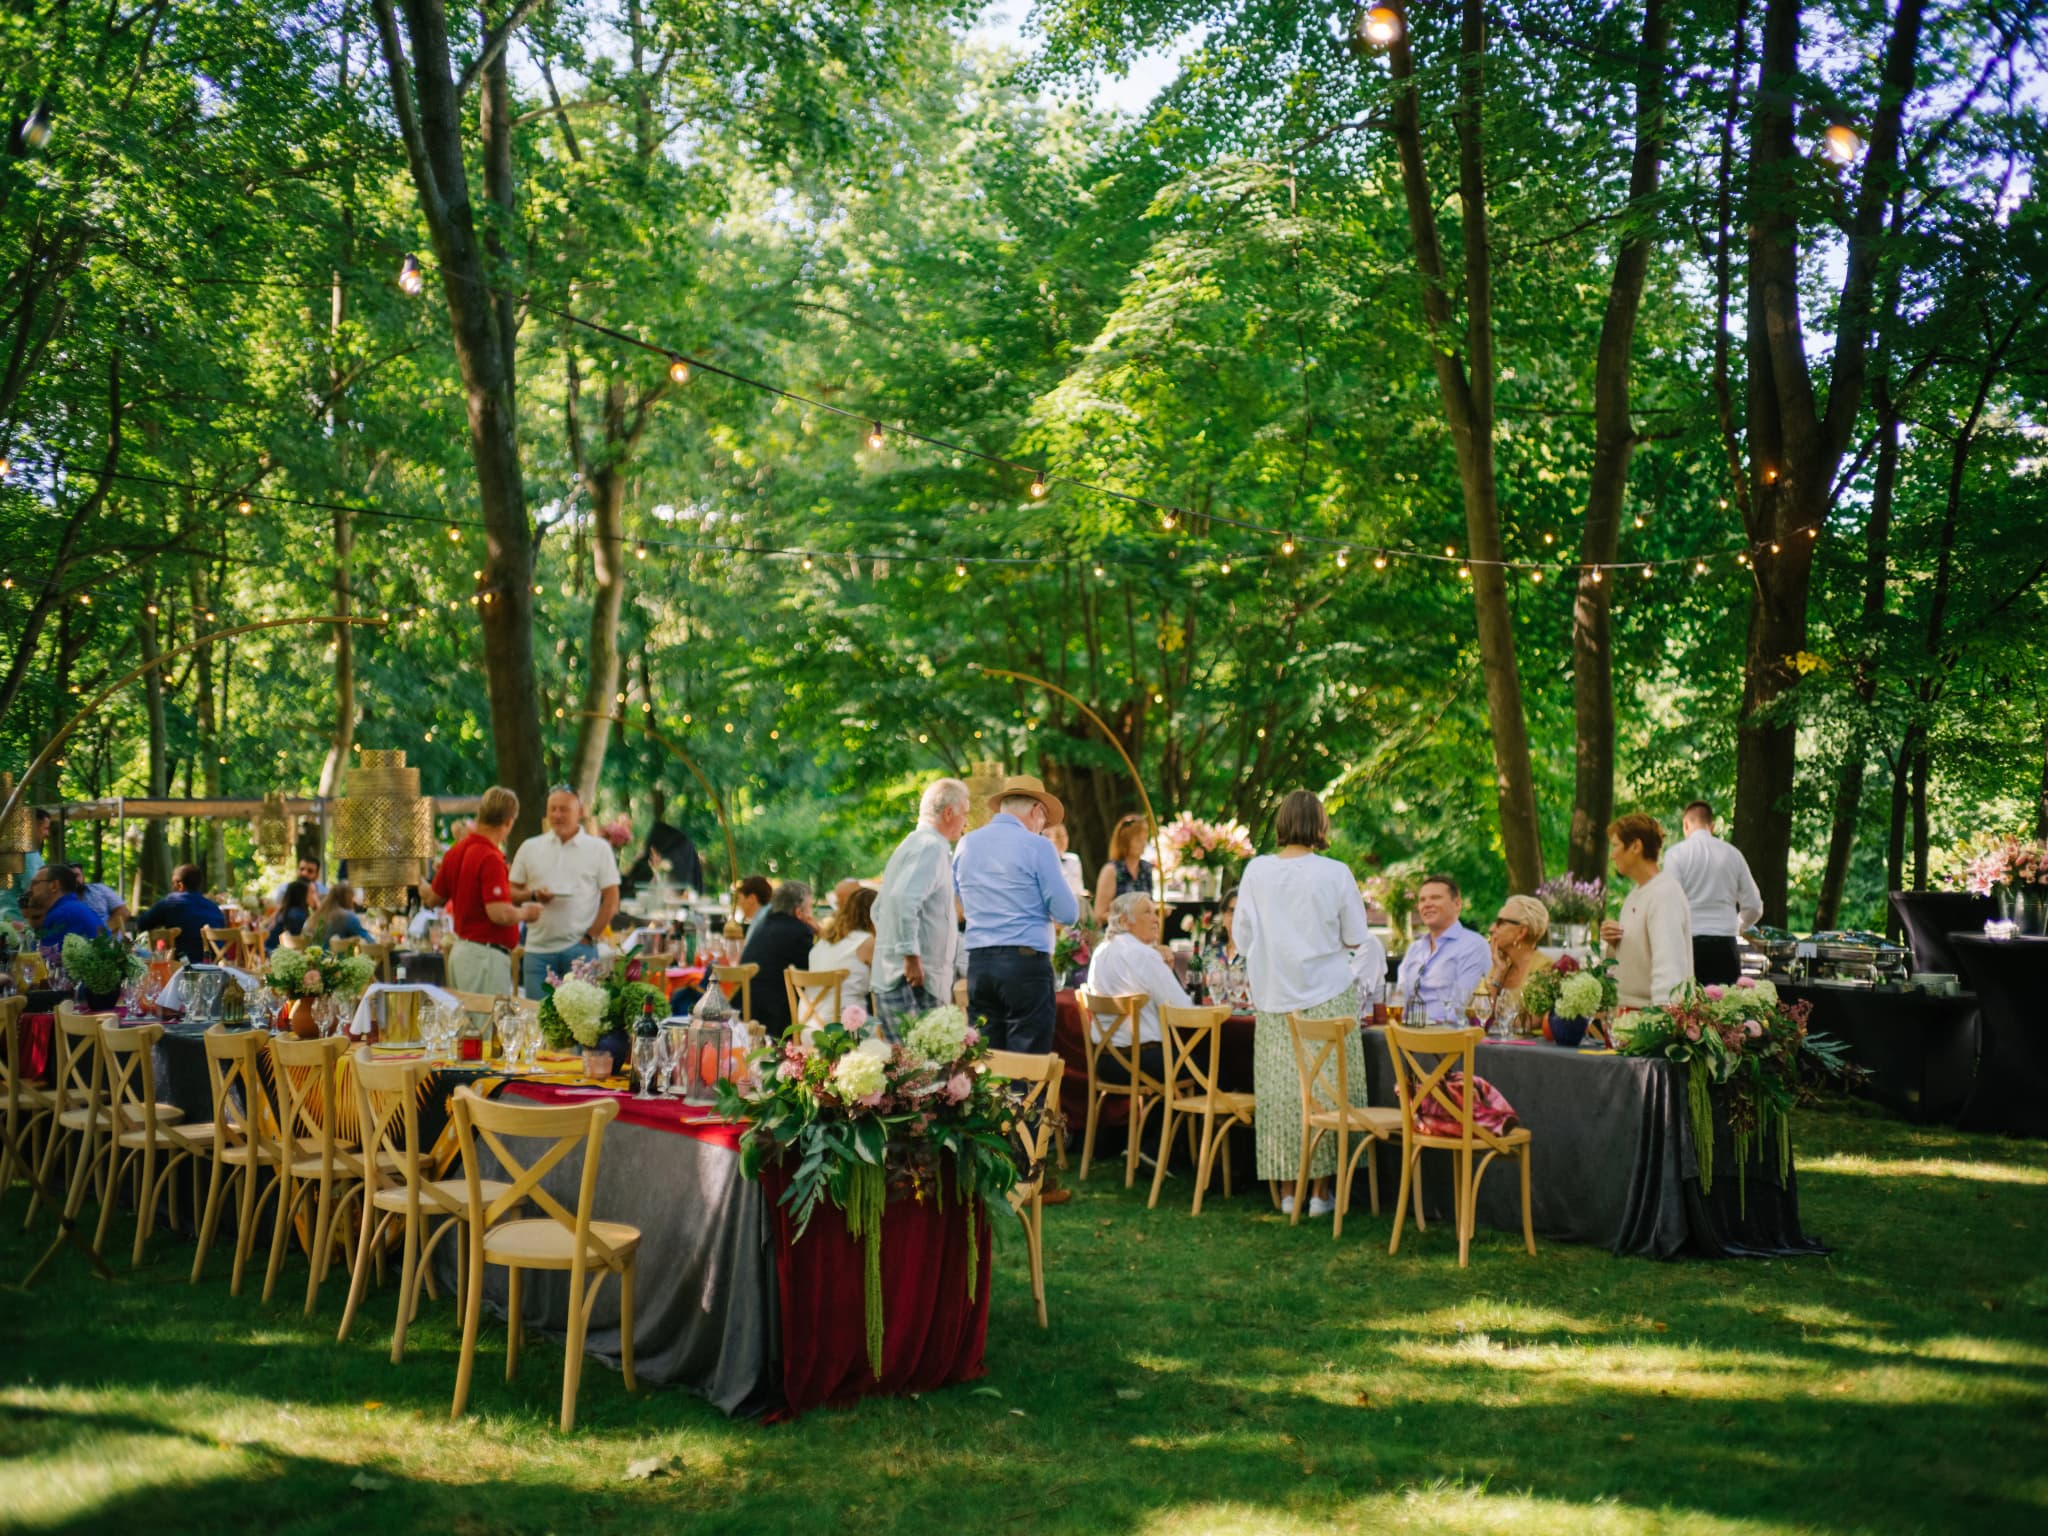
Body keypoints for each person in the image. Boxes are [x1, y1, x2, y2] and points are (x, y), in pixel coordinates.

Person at [1234, 790, 1371, 1218]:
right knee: (1329, 1095)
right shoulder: (1336, 873)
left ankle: (1289, 1191)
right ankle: (1320, 1194)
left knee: (1283, 1096)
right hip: (1328, 993)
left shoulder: (1257, 871)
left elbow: (1242, 937)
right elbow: (1355, 937)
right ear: (1320, 826)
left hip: (1275, 997)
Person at [954, 774, 1079, 1053]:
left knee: (987, 1062)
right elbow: (1068, 913)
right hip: (1024, 965)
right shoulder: (1038, 846)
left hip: (979, 964)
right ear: (1037, 810)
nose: (1042, 827)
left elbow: (960, 900)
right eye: (1044, 820)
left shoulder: (966, 844)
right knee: (1026, 1066)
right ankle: (1025, 1100)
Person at [420, 785, 540, 995]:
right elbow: (499, 913)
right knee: (484, 1023)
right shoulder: (490, 857)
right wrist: (527, 913)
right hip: (485, 957)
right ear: (509, 822)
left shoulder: (456, 852)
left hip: (461, 951)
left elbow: (431, 898)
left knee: (466, 1024)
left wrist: (415, 878)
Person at [871, 778, 971, 1034]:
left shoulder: (911, 844)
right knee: (922, 1067)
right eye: (965, 814)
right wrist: (910, 956)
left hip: (905, 975)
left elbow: (878, 909)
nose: (966, 823)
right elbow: (903, 900)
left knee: (911, 1066)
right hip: (916, 981)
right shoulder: (931, 847)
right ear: (949, 813)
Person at [509, 786, 621, 999]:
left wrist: (591, 936)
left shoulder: (598, 849)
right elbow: (510, 891)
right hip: (537, 950)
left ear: (579, 812)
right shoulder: (530, 847)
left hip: (581, 950)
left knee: (580, 1025)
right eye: (553, 809)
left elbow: (612, 899)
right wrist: (533, 895)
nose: (557, 815)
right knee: (537, 1019)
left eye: (564, 809)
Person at [1082, 892, 1188, 1086]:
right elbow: (1182, 1010)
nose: (1156, 919)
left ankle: (1157, 1116)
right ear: (1124, 921)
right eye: (1147, 913)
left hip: (1104, 1061)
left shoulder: (1100, 952)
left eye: (1156, 912)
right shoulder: (1143, 955)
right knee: (1220, 1067)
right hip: (1142, 1061)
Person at [1663, 800, 1762, 986]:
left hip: (1688, 945)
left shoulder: (1675, 855)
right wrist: (1739, 924)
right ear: (1712, 826)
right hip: (1725, 945)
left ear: (1685, 824)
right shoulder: (1733, 854)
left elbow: (1670, 905)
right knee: (1726, 1008)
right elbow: (1754, 906)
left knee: (1687, 1010)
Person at [1602, 812, 1694, 1009]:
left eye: (1616, 845)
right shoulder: (1635, 895)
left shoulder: (1664, 894)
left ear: (1635, 846)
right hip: (1628, 1017)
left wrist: (1659, 1024)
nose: (1612, 854)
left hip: (1650, 1020)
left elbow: (1669, 968)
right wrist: (1613, 943)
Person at [1393, 874, 1490, 1020]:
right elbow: (1399, 999)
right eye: (1422, 900)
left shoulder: (1473, 946)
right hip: (1406, 1033)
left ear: (1457, 904)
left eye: (1435, 897)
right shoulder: (1415, 949)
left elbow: (1461, 1007)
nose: (1427, 904)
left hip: (1446, 1037)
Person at [741, 880, 818, 1037]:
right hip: (777, 1020)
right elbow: (815, 972)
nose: (811, 914)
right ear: (799, 912)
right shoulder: (800, 931)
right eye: (810, 908)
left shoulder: (763, 925)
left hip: (748, 1009)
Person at [808, 885, 877, 1024]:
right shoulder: (866, 941)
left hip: (809, 1025)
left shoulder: (822, 943)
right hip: (848, 1029)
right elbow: (884, 984)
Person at [133, 864, 226, 963]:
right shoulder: (214, 908)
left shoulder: (171, 902)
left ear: (180, 885)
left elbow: (141, 924)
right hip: (215, 966)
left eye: (173, 883)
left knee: (136, 951)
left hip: (183, 967)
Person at [1484, 893, 1556, 996]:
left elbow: (1537, 1012)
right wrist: (1499, 972)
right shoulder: (1501, 962)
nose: (1491, 929)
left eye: (1501, 922)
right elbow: (1481, 1009)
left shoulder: (1544, 968)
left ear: (1521, 932)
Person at [1092, 812, 1153, 924]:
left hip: (1143, 936)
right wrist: (1127, 919)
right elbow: (1099, 914)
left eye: (1145, 839)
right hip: (1118, 936)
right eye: (1138, 840)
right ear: (1125, 842)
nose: (1143, 844)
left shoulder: (1146, 869)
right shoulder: (1112, 871)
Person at [29, 863, 106, 945]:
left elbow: (38, 954)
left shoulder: (62, 914)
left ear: (54, 886)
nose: (30, 890)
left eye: (35, 883)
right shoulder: (76, 908)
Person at [304, 882, 372, 947]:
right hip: (336, 958)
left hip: (312, 957)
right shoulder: (348, 917)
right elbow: (370, 942)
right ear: (348, 897)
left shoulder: (316, 915)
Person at [1046, 823, 1087, 904]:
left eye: (1065, 835)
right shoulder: (1044, 862)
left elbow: (1079, 888)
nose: (1063, 840)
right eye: (1058, 836)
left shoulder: (1074, 859)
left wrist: (1084, 895)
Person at [266, 881, 311, 953]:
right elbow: (299, 942)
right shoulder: (297, 915)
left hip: (270, 950)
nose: (312, 896)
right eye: (310, 893)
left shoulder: (288, 911)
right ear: (302, 896)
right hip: (276, 954)